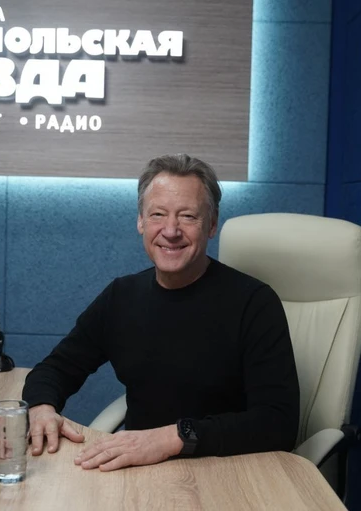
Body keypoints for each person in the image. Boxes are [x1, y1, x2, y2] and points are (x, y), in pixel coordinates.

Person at [22, 154, 299, 472]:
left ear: (211, 224)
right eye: (157, 214)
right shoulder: (121, 296)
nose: (170, 230)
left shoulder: (255, 303)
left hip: (231, 472)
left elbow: (278, 423)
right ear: (141, 221)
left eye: (187, 216)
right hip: (141, 472)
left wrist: (173, 438)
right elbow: (55, 369)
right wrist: (41, 406)